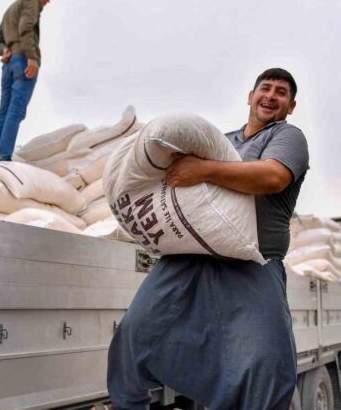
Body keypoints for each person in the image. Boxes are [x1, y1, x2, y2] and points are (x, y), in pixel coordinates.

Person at [107, 68, 309, 410]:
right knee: (135, 333)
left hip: (252, 264)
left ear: (291, 106)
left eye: (281, 92)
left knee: (264, 363)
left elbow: (274, 176)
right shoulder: (223, 140)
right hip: (191, 256)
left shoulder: (288, 136)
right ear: (250, 95)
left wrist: (203, 170)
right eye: (265, 88)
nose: (271, 96)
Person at [0, 0, 51, 163]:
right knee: (15, 111)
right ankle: (4, 158)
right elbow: (25, 27)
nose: (48, 0)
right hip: (23, 61)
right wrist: (32, 58)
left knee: (3, 114)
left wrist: (4, 49)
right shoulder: (30, 0)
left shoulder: (10, 9)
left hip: (8, 63)